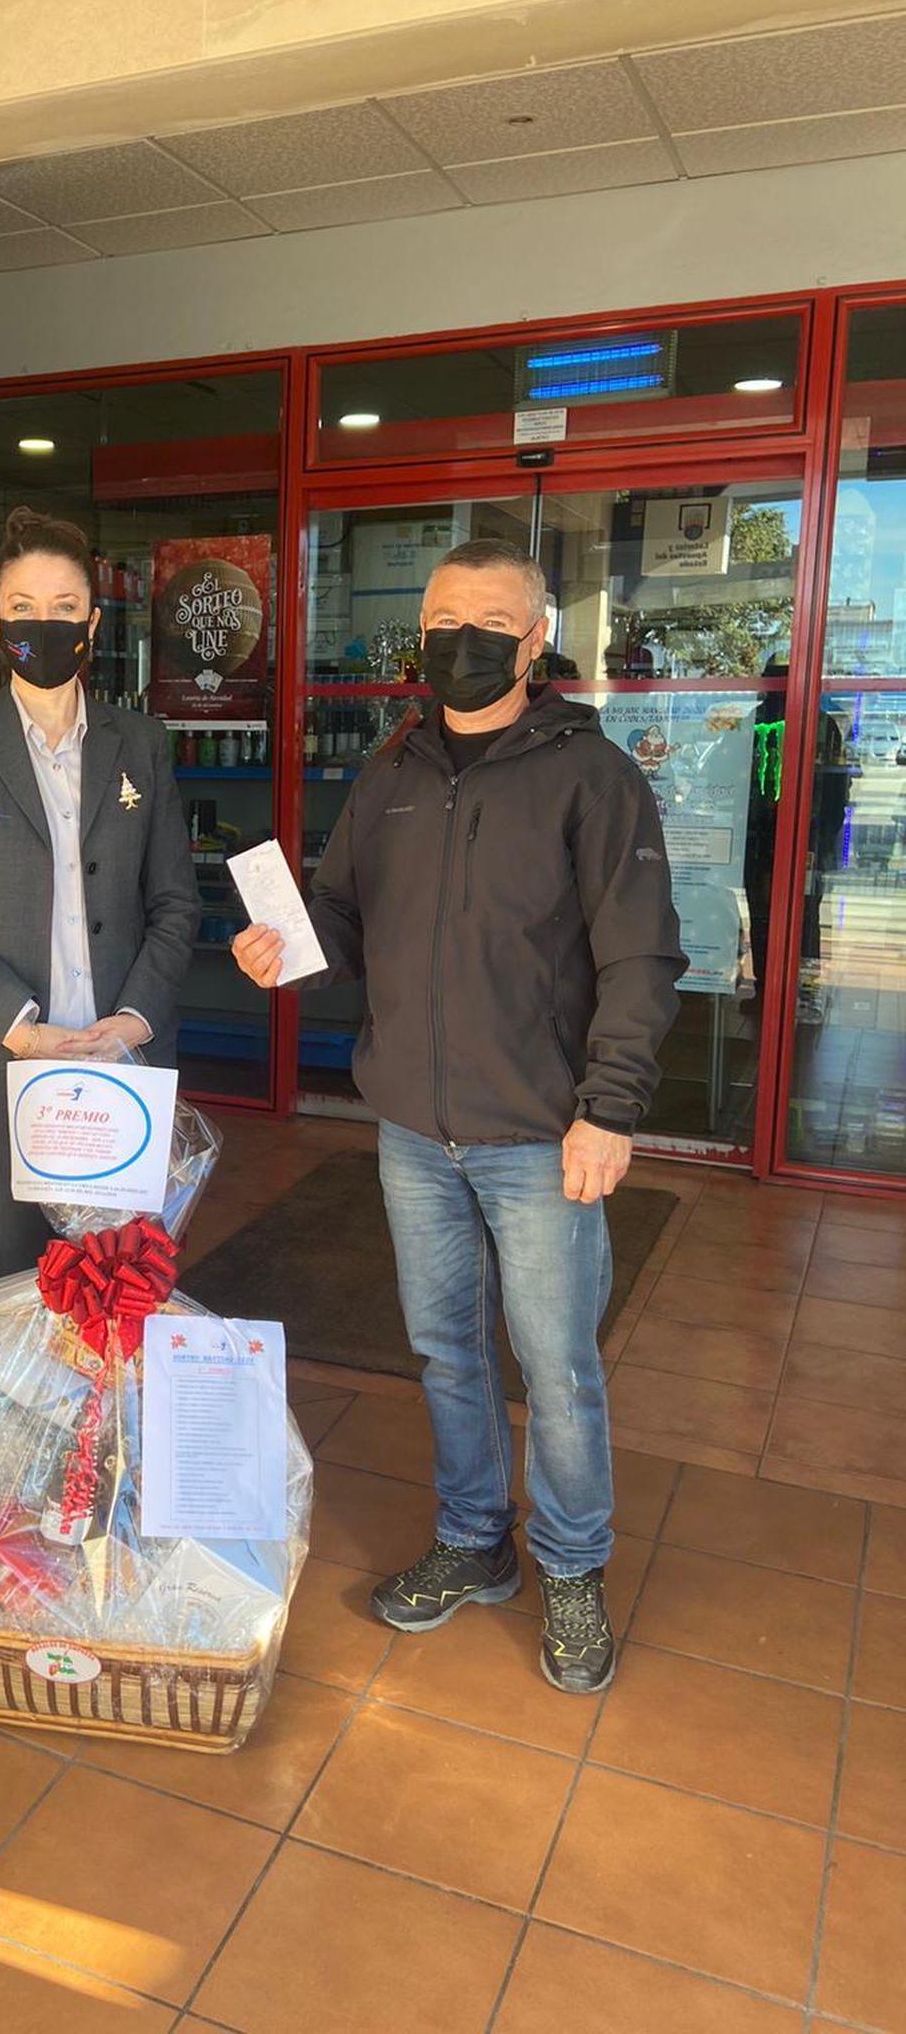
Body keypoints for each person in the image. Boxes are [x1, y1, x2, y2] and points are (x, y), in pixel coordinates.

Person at [233, 538, 686, 1694]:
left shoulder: (592, 778)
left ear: (534, 643)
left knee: (556, 1363)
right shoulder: (389, 773)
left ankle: (571, 1569)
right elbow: (338, 916)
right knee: (443, 1350)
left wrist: (609, 1111)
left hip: (540, 1132)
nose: (461, 641)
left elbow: (639, 958)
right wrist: (281, 948)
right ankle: (474, 1539)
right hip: (410, 1131)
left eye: (490, 621)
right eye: (443, 620)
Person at [0, 507, 200, 1293]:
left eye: (65, 607)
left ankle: (94, 1425)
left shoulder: (141, 742)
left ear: (93, 622)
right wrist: (19, 1027)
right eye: (24, 607)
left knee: (112, 1286)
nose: (44, 625)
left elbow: (175, 901)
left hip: (116, 1063)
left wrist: (133, 1021)